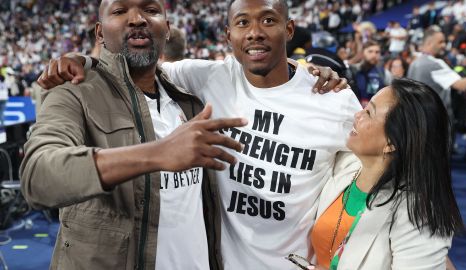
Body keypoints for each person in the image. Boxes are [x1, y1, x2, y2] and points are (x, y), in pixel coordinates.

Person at [37, 0, 359, 268]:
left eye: (268, 21)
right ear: (228, 34)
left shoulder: (333, 101)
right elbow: (40, 175)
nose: (255, 33)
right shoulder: (204, 78)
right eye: (243, 23)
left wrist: (307, 70)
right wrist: (83, 61)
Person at [19, 0, 249, 269]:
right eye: (119, 11)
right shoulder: (72, 90)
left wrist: (304, 70)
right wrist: (156, 153)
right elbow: (37, 176)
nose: (137, 19)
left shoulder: (188, 97)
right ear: (100, 33)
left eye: (151, 11)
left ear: (167, 29)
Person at [309, 78, 463, 270]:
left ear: (391, 143)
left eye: (369, 112)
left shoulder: (418, 213)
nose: (357, 115)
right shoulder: (345, 163)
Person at [407, 25, 466, 125]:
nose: (444, 45)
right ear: (429, 43)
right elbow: (462, 85)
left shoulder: (414, 62)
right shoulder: (434, 63)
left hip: (418, 118)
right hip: (436, 120)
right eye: (440, 42)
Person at [350, 40, 392, 107]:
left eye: (377, 52)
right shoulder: (354, 70)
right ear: (363, 53)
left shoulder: (384, 73)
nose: (374, 55)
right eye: (370, 51)